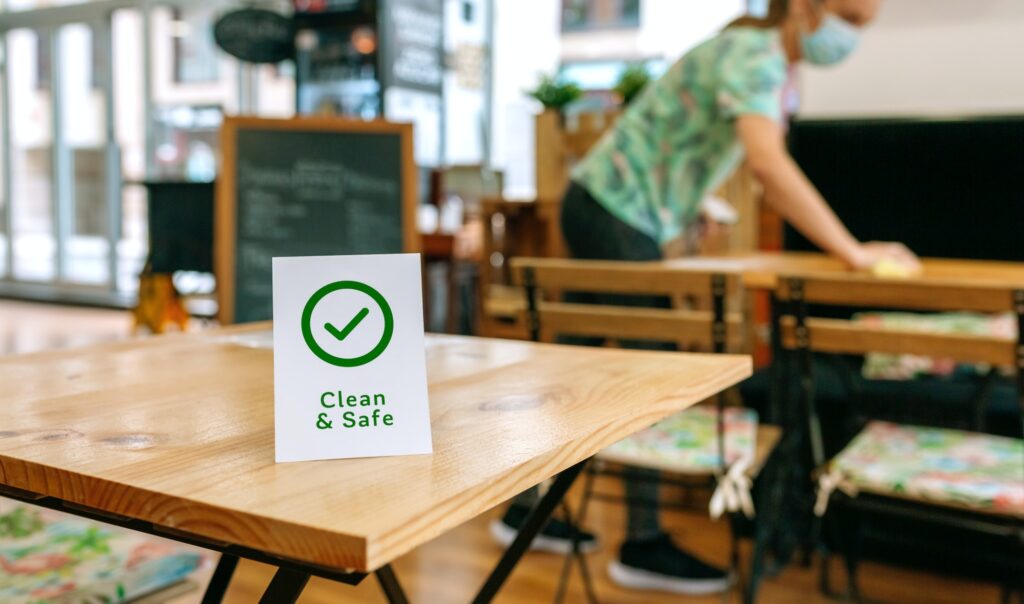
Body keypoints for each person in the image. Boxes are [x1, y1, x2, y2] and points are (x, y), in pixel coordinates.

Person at [491, 0, 919, 596]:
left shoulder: (761, 61)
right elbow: (768, 166)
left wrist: (692, 211)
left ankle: (525, 508)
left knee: (578, 362)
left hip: (600, 200)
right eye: (849, 17)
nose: (851, 36)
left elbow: (696, 146)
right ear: (804, 8)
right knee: (646, 373)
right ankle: (641, 543)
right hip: (616, 210)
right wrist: (853, 251)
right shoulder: (755, 55)